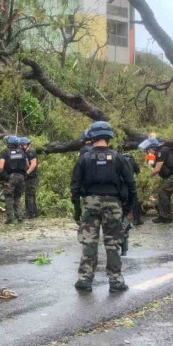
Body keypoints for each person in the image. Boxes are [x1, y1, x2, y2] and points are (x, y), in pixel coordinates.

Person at [70, 121, 136, 292]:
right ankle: (116, 281)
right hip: (113, 204)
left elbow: (75, 186)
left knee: (89, 242)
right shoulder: (118, 157)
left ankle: (85, 279)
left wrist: (77, 209)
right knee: (113, 243)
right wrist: (127, 208)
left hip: (90, 203)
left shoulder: (84, 158)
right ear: (109, 137)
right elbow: (131, 185)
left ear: (91, 137)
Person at [139, 138, 173, 224]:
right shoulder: (159, 152)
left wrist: (147, 177)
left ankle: (166, 217)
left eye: (148, 149)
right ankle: (164, 216)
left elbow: (157, 169)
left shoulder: (162, 151)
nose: (148, 151)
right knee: (164, 193)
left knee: (163, 192)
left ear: (153, 147)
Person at [0, 136, 28, 224]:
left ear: (9, 144)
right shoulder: (22, 152)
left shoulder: (5, 153)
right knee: (17, 197)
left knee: (8, 197)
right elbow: (27, 165)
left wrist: (3, 175)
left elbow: (0, 167)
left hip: (10, 177)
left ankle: (11, 218)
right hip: (21, 177)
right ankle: (20, 216)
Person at [120, 150, 143, 225]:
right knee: (135, 200)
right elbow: (138, 173)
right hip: (130, 183)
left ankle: (122, 219)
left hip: (120, 185)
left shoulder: (118, 161)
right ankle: (136, 219)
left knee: (121, 201)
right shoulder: (132, 162)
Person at [21, 137, 40, 219]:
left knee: (29, 196)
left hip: (31, 177)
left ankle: (31, 214)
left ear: (25, 145)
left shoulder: (30, 152)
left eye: (21, 145)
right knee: (30, 195)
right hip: (29, 177)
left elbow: (33, 164)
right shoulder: (25, 153)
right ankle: (34, 213)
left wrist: (27, 173)